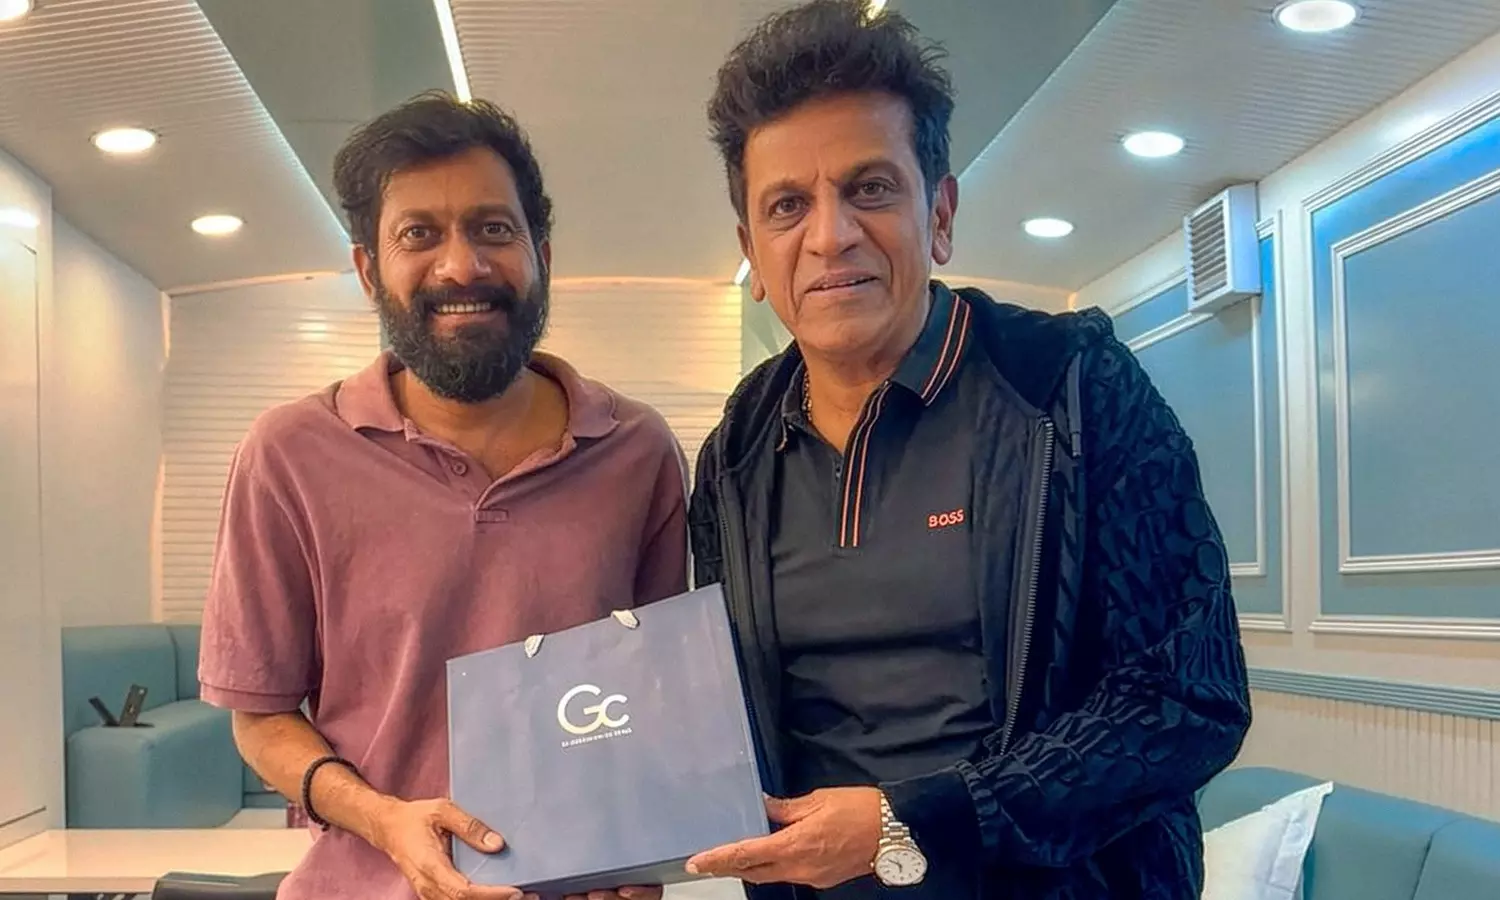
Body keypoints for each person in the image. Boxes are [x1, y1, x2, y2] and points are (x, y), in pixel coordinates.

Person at [682, 2, 1253, 898]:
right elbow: (723, 716)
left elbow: (1189, 696)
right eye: (788, 206)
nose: (830, 235)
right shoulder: (735, 455)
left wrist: (916, 818)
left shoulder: (1070, 385)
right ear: (752, 250)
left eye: (870, 188)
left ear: (939, 213)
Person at [196, 92, 681, 900]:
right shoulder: (289, 455)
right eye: (419, 234)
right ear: (368, 270)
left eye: (493, 229)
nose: (462, 267)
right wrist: (384, 819)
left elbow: (655, 695)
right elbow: (259, 715)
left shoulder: (636, 450)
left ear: (541, 255)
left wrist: (644, 846)